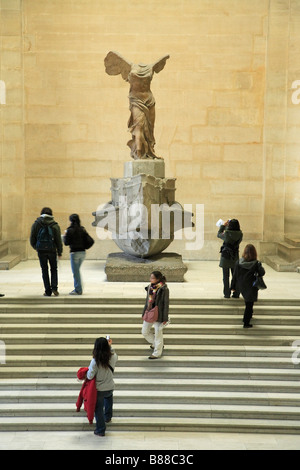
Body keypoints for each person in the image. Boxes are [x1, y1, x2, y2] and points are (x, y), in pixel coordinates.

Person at [104, 51, 169, 160]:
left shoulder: (149, 68)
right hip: (137, 100)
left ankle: (149, 151)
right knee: (138, 127)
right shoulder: (133, 69)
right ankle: (139, 153)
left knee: (149, 129)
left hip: (149, 100)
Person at [87, 337, 118, 437]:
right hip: (110, 385)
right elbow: (112, 353)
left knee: (98, 408)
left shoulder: (95, 361)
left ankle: (101, 429)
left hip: (99, 388)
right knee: (108, 398)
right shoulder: (113, 357)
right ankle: (108, 417)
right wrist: (110, 346)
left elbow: (89, 375)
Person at [30, 207, 63, 296]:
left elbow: (32, 238)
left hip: (41, 251)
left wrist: (36, 247)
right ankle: (54, 288)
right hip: (52, 250)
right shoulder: (55, 225)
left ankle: (47, 291)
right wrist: (59, 252)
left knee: (44, 270)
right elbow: (58, 240)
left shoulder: (36, 224)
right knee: (54, 269)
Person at [231, 244, 266, 328]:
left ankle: (248, 317)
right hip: (251, 286)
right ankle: (246, 322)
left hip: (241, 285)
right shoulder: (255, 263)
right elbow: (262, 273)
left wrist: (232, 287)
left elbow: (234, 275)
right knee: (249, 304)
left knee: (248, 303)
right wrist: (259, 266)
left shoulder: (239, 262)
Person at [142, 271, 169, 359]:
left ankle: (157, 352)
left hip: (159, 314)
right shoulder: (150, 287)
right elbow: (147, 302)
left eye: (152, 278)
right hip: (150, 312)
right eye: (150, 277)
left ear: (158, 279)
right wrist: (144, 312)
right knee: (145, 331)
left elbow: (166, 304)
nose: (150, 279)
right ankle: (157, 344)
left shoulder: (164, 289)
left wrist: (165, 318)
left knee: (158, 333)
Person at [217, 219, 243, 298]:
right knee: (235, 276)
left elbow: (219, 234)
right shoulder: (240, 234)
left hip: (226, 257)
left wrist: (223, 226)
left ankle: (227, 293)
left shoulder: (227, 233)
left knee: (225, 276)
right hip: (235, 257)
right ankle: (236, 293)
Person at [63, 214, 87, 295]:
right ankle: (79, 287)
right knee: (77, 271)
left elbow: (66, 243)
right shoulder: (82, 229)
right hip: (83, 253)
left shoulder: (69, 230)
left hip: (74, 253)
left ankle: (78, 289)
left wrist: (65, 235)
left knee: (76, 272)